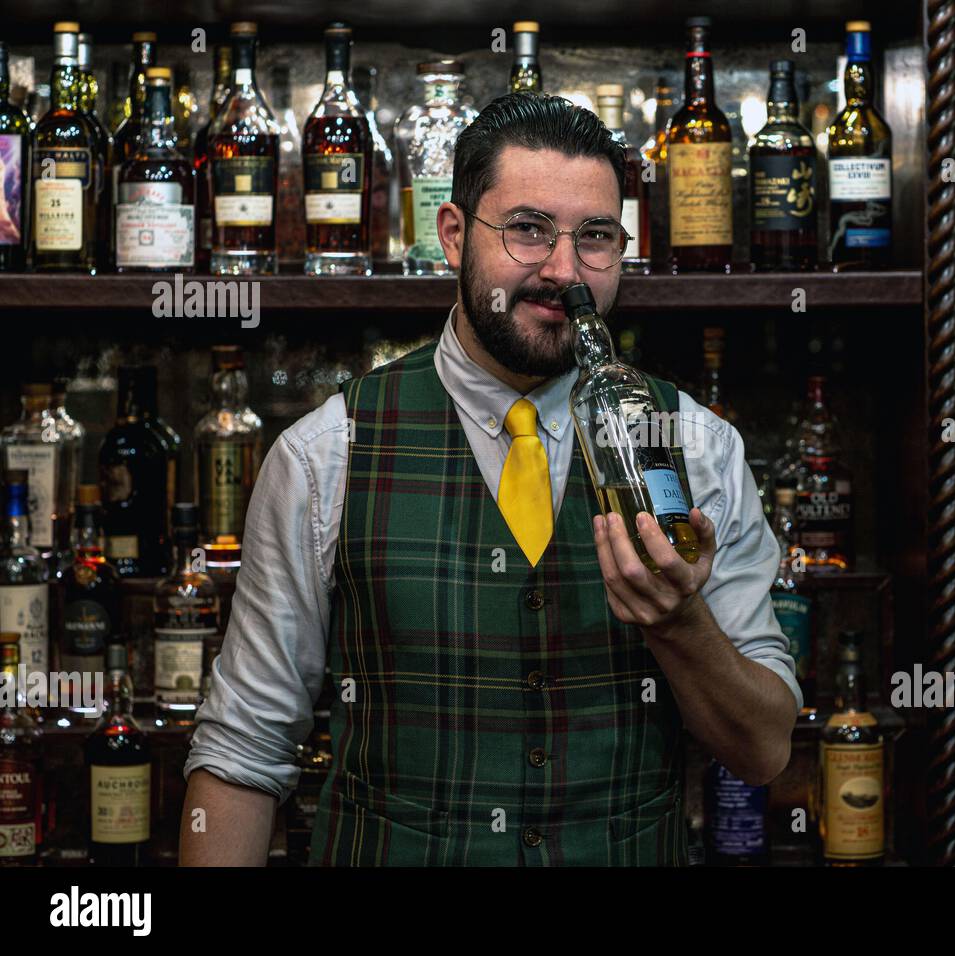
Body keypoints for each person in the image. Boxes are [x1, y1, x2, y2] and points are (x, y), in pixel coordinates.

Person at [180, 93, 800, 866]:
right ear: (452, 235)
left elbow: (764, 749)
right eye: (529, 229)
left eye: (597, 237)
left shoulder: (699, 448)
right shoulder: (324, 454)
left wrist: (679, 626)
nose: (565, 271)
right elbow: (243, 753)